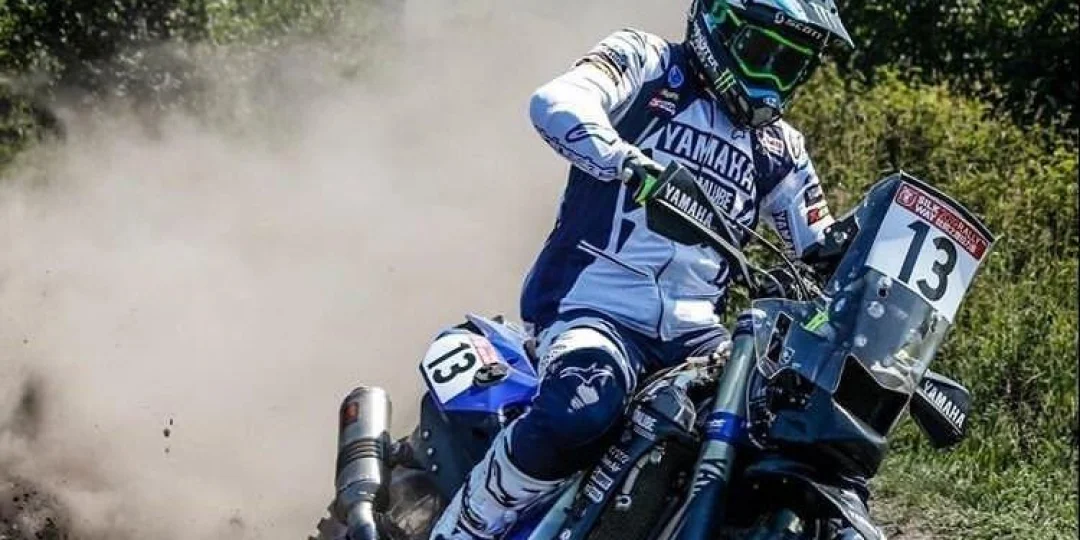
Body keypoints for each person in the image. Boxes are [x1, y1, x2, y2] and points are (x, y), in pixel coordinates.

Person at [431, 0, 854, 537]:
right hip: (595, 310)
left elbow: (819, 245)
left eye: (788, 65)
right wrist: (624, 159)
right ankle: (463, 527)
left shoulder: (781, 149)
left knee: (774, 436)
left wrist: (863, 278)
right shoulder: (646, 60)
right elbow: (556, 101)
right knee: (582, 407)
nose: (770, 78)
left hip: (697, 338)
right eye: (759, 52)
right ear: (717, 24)